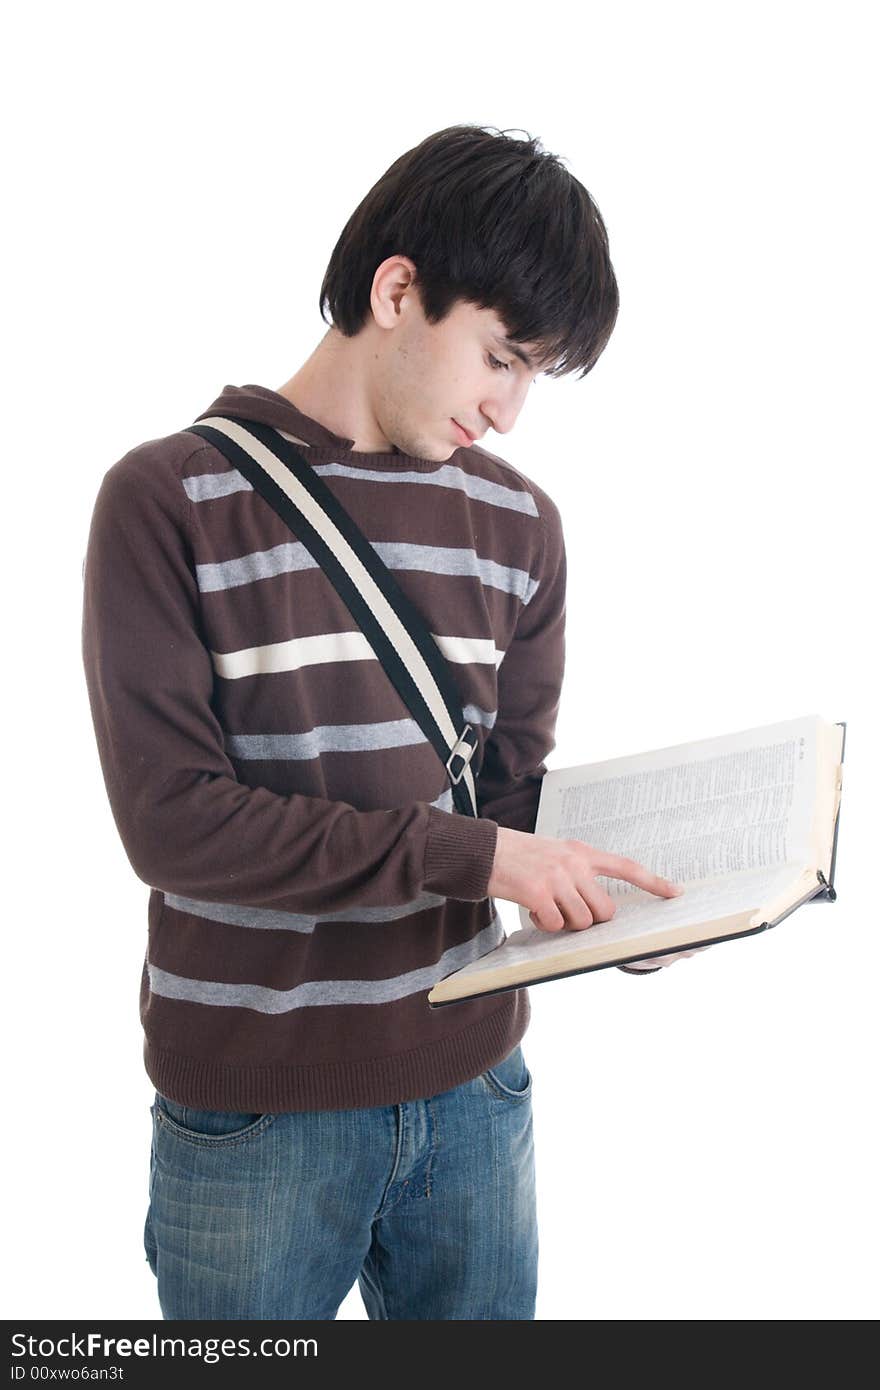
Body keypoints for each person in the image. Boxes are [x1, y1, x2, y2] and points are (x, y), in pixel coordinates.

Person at [81, 123, 702, 1322]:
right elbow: (175, 827)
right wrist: (480, 855)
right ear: (398, 289)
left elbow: (505, 803)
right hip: (257, 1114)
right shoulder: (168, 502)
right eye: (499, 357)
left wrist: (621, 903)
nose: (509, 410)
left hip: (476, 1090)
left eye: (534, 375)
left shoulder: (522, 526)